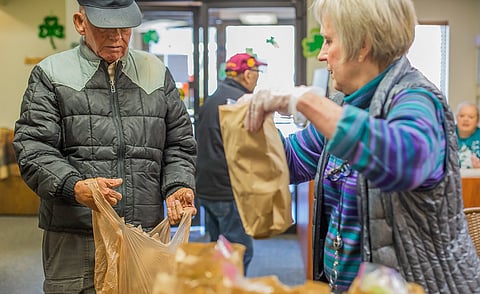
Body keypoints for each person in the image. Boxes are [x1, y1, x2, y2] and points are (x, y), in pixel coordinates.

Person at [241, 0, 480, 292]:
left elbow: (402, 161)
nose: (321, 54)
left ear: (362, 44)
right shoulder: (344, 104)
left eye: (329, 41)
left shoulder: (418, 99)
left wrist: (308, 101)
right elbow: (288, 163)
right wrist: (255, 124)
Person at [12, 0, 197, 293]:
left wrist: (178, 185)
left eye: (124, 28)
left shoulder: (155, 73)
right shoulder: (51, 74)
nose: (117, 37)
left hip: (143, 232)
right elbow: (33, 147)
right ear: (80, 22)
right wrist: (75, 187)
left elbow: (179, 143)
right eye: (105, 27)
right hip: (76, 234)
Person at [195, 53, 266, 273]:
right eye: (257, 73)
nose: (257, 78)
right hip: (228, 190)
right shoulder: (241, 103)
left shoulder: (215, 97)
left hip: (207, 187)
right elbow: (247, 150)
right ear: (246, 74)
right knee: (239, 253)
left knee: (220, 251)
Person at [455, 101, 480, 168]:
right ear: (456, 118)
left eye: (471, 117)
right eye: (462, 116)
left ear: (477, 121)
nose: (466, 119)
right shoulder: (445, 135)